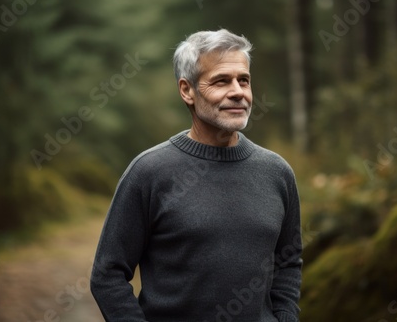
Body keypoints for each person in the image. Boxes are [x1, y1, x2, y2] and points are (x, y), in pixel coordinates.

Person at [90, 29, 303, 322]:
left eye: (244, 80)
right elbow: (107, 273)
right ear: (187, 90)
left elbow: (289, 262)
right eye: (221, 81)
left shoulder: (277, 172)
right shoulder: (149, 172)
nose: (238, 91)